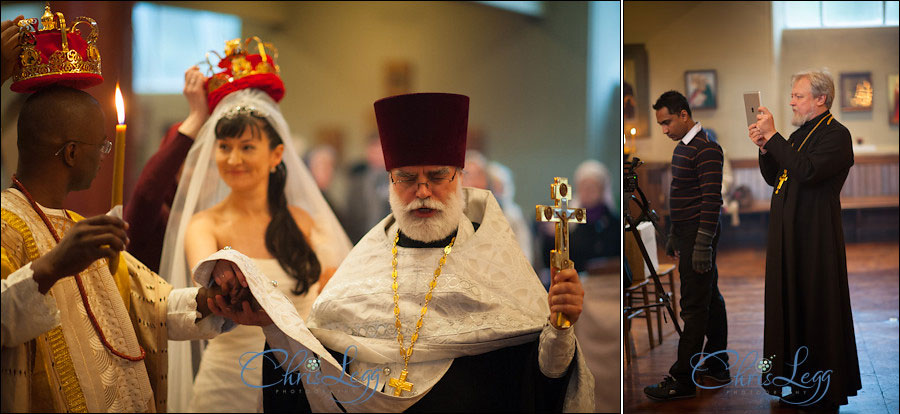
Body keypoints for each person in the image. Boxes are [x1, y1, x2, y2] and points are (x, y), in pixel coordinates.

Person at [212, 92, 594, 411]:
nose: (423, 191)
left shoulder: (496, 263)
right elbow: (318, 373)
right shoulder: (363, 264)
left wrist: (559, 330)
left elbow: (536, 380)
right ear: (391, 182)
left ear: (459, 178)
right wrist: (277, 333)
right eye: (408, 178)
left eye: (438, 177)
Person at [157, 37, 352, 413]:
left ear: (276, 154)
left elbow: (338, 294)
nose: (233, 159)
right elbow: (208, 282)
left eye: (247, 147)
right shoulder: (204, 224)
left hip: (298, 374)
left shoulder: (302, 222)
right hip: (227, 381)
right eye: (225, 147)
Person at [749, 69, 860, 410]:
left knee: (813, 307)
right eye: (793, 96)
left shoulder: (836, 135)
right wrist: (766, 148)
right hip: (788, 237)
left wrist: (776, 137)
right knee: (790, 305)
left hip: (815, 239)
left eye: (798, 96)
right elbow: (775, 178)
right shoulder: (797, 136)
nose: (791, 101)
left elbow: (808, 172)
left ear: (820, 99)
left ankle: (819, 383)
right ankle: (792, 379)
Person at [644, 90, 728, 401]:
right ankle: (718, 364)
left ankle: (683, 379)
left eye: (667, 122)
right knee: (710, 297)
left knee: (693, 306)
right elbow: (681, 196)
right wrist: (673, 237)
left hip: (700, 235)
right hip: (688, 234)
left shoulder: (707, 149)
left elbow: (711, 201)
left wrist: (702, 244)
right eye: (660, 124)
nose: (664, 129)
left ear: (683, 115)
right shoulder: (684, 148)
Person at [124, 66, 207, 273]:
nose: (199, 172)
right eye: (187, 162)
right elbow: (146, 194)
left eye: (207, 162)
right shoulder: (159, 216)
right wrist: (197, 117)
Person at [486, 160, 535, 265]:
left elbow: (524, 245)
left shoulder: (514, 214)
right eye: (494, 186)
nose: (497, 190)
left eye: (500, 186)